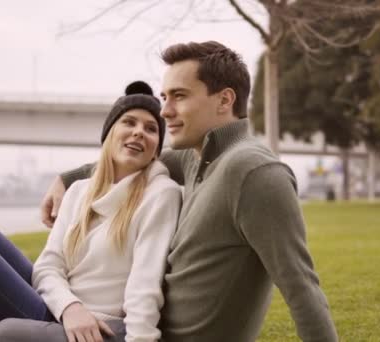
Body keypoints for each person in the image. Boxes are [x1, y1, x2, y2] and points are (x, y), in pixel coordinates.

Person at [37, 40, 339, 341]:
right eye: (164, 97)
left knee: (5, 334)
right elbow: (128, 159)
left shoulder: (254, 173)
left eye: (179, 96)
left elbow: (302, 289)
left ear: (224, 101)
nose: (165, 112)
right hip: (138, 330)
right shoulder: (194, 157)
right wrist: (65, 179)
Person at [0, 81, 182, 342]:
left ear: (156, 149)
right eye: (129, 122)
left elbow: (144, 287)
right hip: (64, 310)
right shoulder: (80, 190)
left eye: (151, 129)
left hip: (96, 328)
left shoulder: (160, 194)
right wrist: (69, 306)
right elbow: (48, 266)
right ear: (110, 132)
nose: (139, 132)